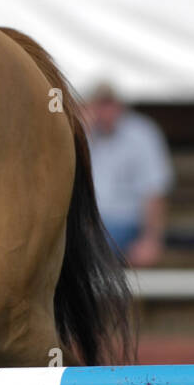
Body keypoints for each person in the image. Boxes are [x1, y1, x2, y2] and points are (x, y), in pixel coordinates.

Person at [83, 82, 173, 266]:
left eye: (108, 104)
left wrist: (151, 240)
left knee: (87, 244)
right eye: (100, 104)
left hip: (124, 224)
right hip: (89, 224)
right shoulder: (85, 134)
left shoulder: (142, 134)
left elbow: (154, 193)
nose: (104, 111)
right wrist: (82, 133)